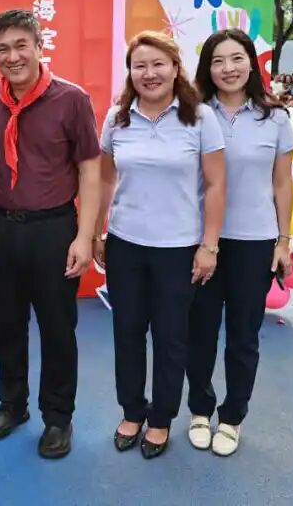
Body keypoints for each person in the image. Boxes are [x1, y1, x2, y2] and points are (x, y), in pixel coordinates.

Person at [0, 9, 102, 459]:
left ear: (39, 46)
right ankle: (13, 404)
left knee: (57, 328)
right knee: (7, 324)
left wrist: (84, 236)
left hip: (53, 230)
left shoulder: (72, 99)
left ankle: (58, 416)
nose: (12, 57)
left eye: (20, 46)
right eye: (2, 49)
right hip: (1, 228)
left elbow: (89, 170)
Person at [93, 31, 226, 460]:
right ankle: (132, 411)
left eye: (158, 64)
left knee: (171, 338)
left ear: (175, 68)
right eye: (140, 66)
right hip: (125, 245)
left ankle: (162, 418)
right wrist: (97, 232)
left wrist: (209, 245)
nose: (149, 73)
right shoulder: (117, 118)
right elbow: (105, 179)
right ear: (130, 72)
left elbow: (216, 184)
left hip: (179, 249)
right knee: (127, 333)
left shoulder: (200, 117)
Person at [186, 30, 293, 457]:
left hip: (255, 242)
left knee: (243, 336)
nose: (228, 68)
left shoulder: (276, 118)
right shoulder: (193, 113)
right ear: (207, 69)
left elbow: (282, 183)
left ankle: (232, 418)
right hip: (202, 243)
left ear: (251, 62)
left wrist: (283, 240)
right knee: (199, 333)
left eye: (236, 58)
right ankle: (199, 410)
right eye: (218, 61)